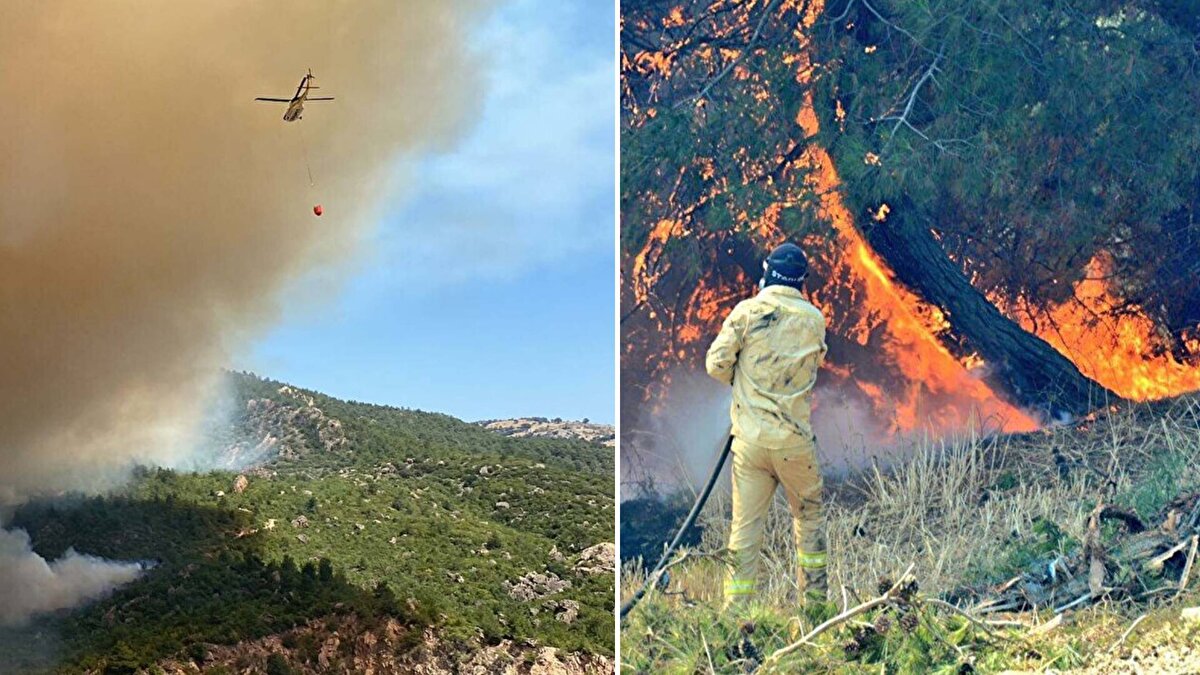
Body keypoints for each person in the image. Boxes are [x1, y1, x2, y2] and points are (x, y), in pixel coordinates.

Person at [705, 242, 829, 608]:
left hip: (751, 444)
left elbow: (716, 364)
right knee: (808, 519)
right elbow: (815, 363)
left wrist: (741, 378)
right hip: (794, 444)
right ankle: (815, 605)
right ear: (802, 280)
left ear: (766, 271)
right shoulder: (814, 319)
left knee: (744, 529)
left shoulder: (748, 311)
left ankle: (735, 613)